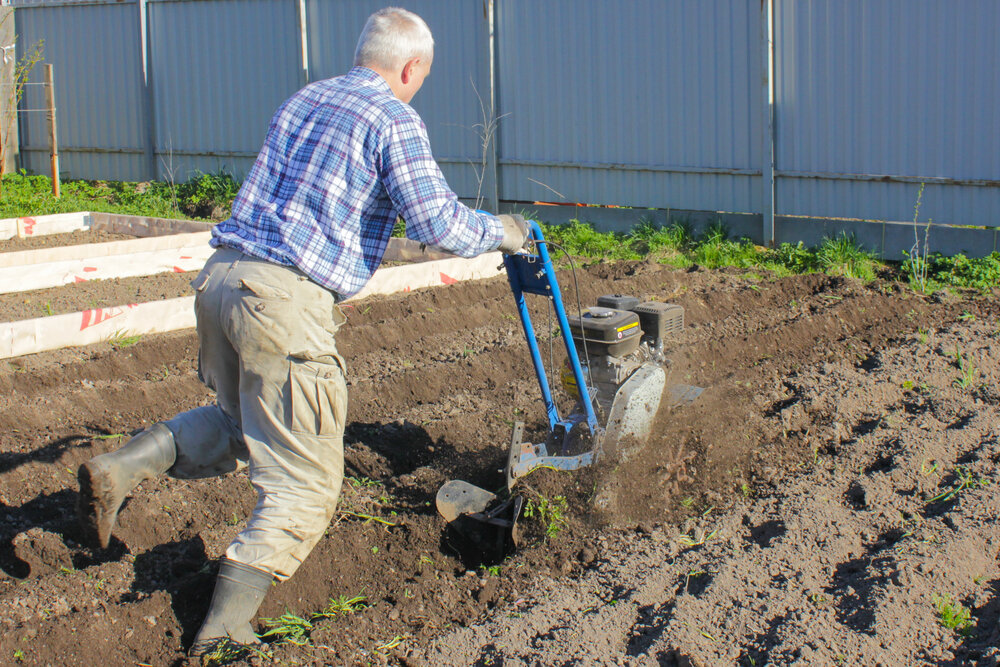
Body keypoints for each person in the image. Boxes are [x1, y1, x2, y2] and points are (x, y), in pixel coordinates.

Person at [76, 7, 528, 656]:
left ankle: (120, 467)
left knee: (240, 426)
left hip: (222, 280)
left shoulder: (306, 99)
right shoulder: (393, 118)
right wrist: (506, 231)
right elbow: (437, 223)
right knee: (308, 482)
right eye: (422, 75)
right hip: (282, 302)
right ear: (411, 68)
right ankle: (224, 630)